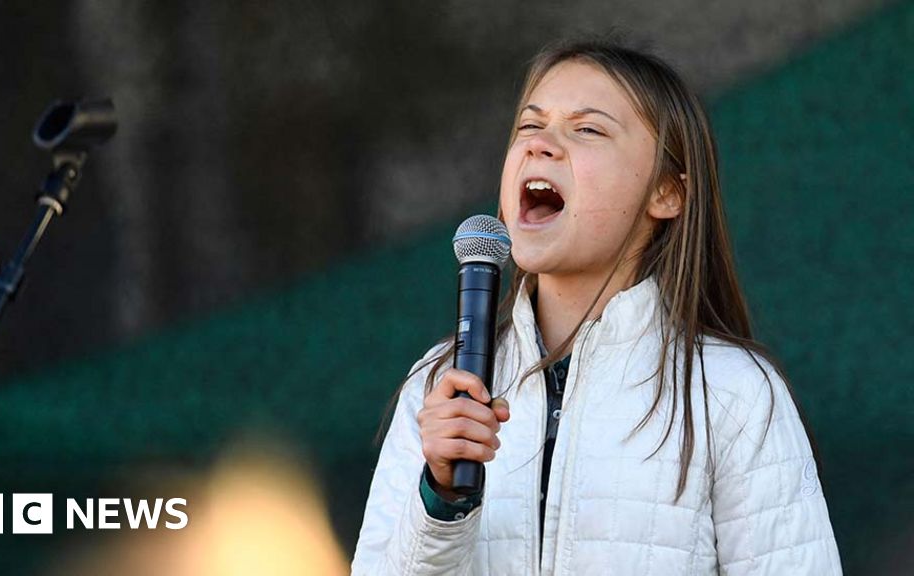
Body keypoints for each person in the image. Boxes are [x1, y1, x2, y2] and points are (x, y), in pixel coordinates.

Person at [351, 39, 842, 575]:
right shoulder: (440, 384)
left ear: (666, 193)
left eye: (586, 129)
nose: (541, 145)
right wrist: (442, 499)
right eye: (529, 126)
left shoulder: (733, 393)